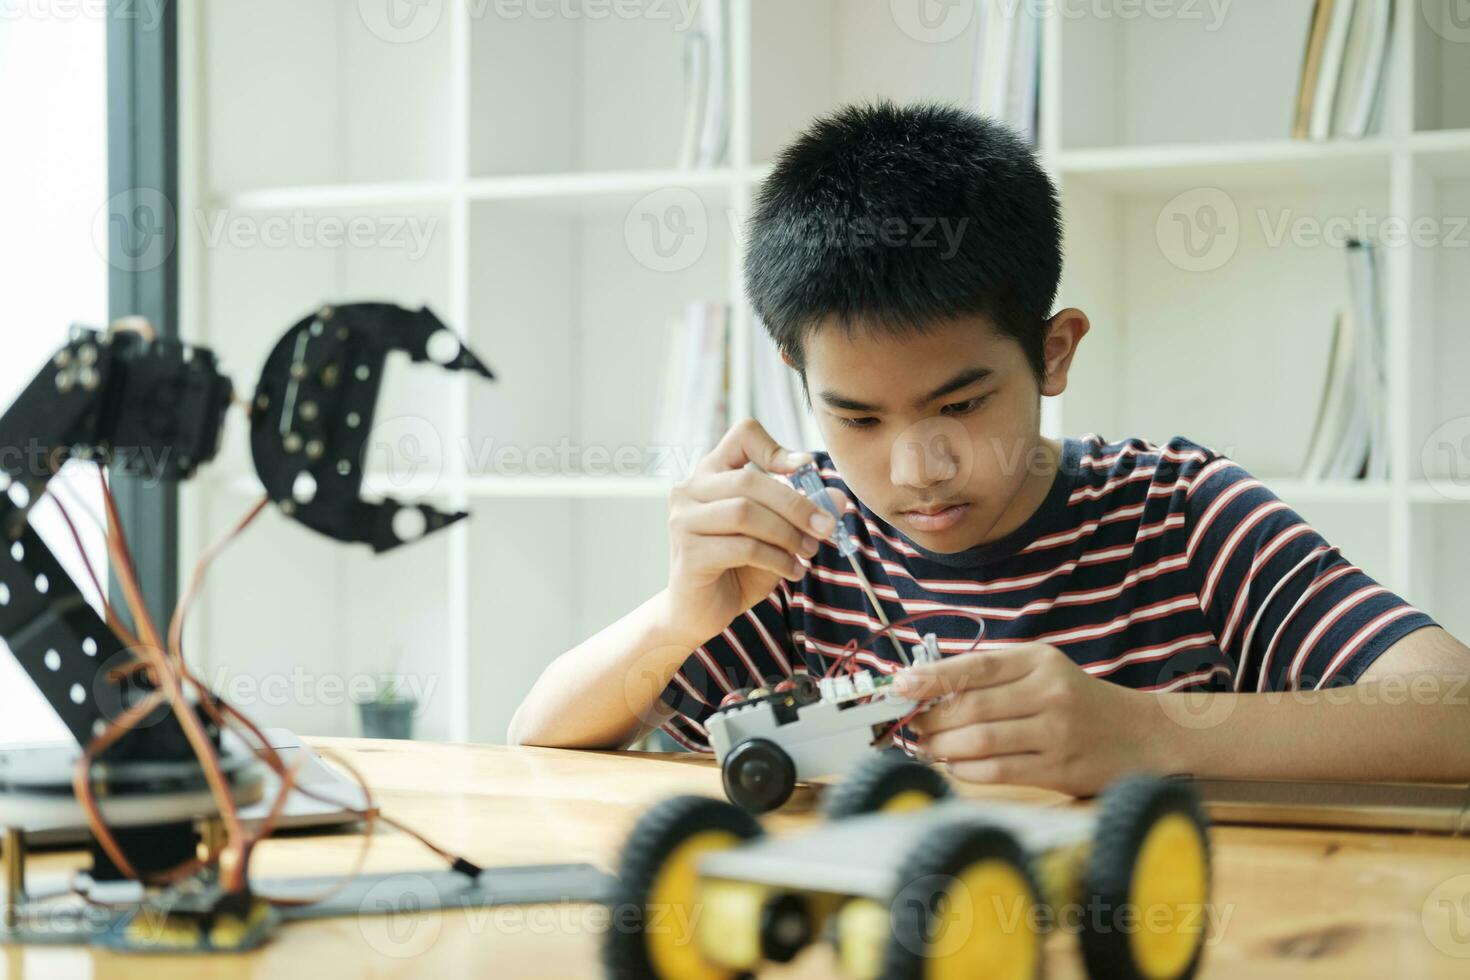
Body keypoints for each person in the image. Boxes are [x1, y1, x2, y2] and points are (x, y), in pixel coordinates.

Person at [509, 102, 1470, 795]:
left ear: (1053, 355)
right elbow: (539, 741)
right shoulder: (808, 544)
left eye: (961, 404)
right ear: (798, 383)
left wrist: (1143, 731)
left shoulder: (1177, 513)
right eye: (858, 420)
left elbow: (1450, 714)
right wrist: (678, 618)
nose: (915, 469)